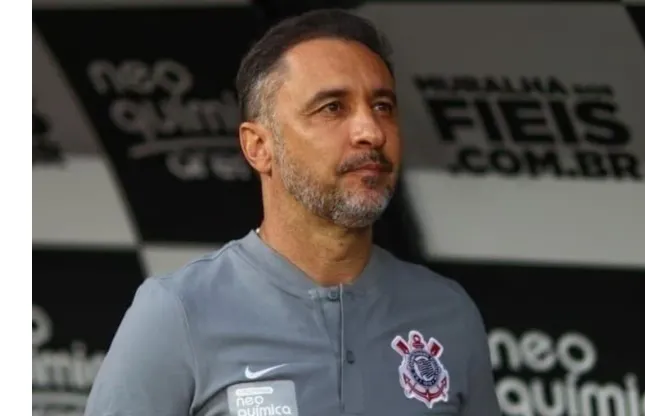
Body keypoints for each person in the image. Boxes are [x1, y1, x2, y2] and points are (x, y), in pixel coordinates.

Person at [84, 8, 501, 416]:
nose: (371, 132)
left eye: (383, 107)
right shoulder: (177, 312)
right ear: (258, 147)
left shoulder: (447, 310)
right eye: (332, 108)